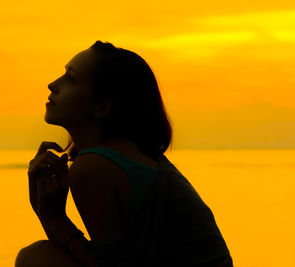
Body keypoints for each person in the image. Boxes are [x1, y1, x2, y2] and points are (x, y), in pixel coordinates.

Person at [15, 40, 233, 267]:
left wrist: (54, 219)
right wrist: (48, 216)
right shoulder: (127, 155)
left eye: (71, 78)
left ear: (102, 108)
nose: (52, 84)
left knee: (36, 259)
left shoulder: (95, 167)